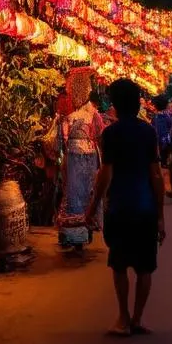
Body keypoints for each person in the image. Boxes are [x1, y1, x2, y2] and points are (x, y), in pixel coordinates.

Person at [88, 78, 165, 336]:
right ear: (137, 103)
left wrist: (92, 208)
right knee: (145, 266)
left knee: (119, 264)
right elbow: (156, 175)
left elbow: (105, 175)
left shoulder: (110, 134)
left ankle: (123, 316)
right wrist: (160, 215)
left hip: (119, 207)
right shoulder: (148, 132)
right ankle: (138, 318)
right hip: (145, 207)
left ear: (115, 106)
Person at [57, 87, 105, 253]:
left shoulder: (67, 115)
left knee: (72, 194)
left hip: (72, 158)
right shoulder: (93, 114)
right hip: (88, 158)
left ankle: (72, 235)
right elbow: (100, 136)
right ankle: (82, 233)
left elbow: (60, 141)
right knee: (86, 193)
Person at [151, 95, 172, 192]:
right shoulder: (168, 116)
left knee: (159, 163)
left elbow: (153, 130)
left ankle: (162, 185)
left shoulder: (155, 118)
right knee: (166, 163)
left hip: (157, 143)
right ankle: (168, 186)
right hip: (167, 142)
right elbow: (170, 128)